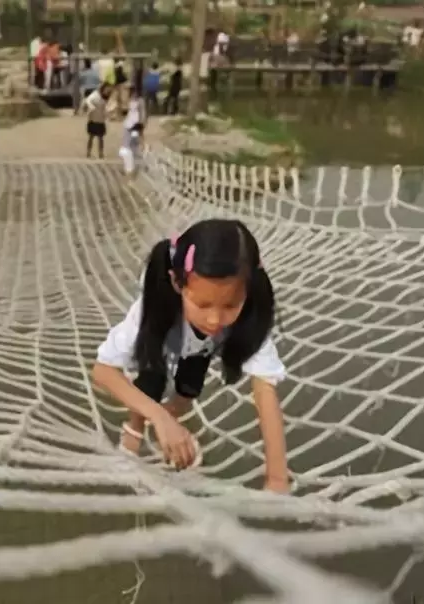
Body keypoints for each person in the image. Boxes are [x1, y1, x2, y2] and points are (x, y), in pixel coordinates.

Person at [92, 219, 290, 493]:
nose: (214, 318)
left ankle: (171, 426)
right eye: (202, 304)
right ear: (178, 284)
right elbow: (102, 371)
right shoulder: (154, 308)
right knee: (149, 382)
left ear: (249, 290)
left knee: (188, 389)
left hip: (202, 348)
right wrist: (157, 417)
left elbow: (265, 392)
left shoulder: (250, 319)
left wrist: (277, 479)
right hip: (164, 338)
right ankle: (135, 429)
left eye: (231, 305)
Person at [82, 83, 111, 159]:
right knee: (91, 137)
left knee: (101, 138)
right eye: (106, 90)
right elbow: (87, 101)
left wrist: (108, 113)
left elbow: (105, 108)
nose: (107, 92)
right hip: (93, 119)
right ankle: (88, 152)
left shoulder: (105, 97)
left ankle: (101, 153)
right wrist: (91, 108)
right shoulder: (95, 95)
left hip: (101, 120)